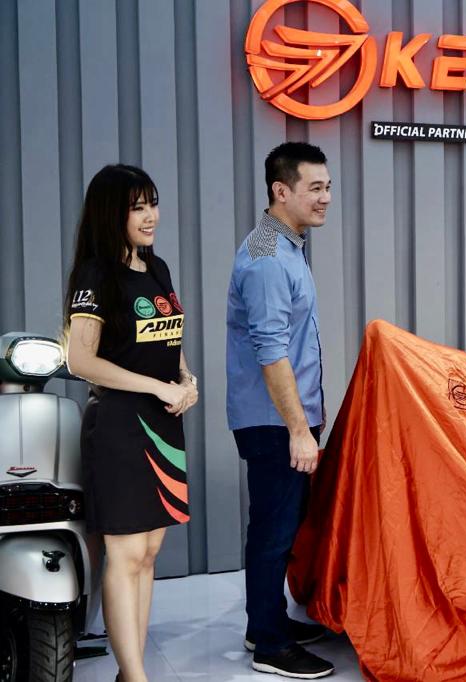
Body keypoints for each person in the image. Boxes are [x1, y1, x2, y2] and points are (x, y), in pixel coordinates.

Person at [65, 164, 198, 682]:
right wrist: (156, 388)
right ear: (110, 214)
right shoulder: (95, 274)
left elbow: (168, 336)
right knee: (124, 552)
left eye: (153, 204)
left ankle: (130, 672)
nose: (151, 216)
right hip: (119, 425)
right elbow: (81, 360)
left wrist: (185, 378)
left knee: (149, 551)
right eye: (137, 207)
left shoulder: (156, 267)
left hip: (163, 424)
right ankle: (136, 675)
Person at [226, 142, 334, 679]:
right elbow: (271, 351)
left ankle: (264, 623)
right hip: (274, 422)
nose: (326, 197)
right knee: (273, 528)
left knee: (281, 524)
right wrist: (298, 429)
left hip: (286, 418)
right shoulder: (268, 257)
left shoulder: (287, 244)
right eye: (315, 188)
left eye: (328, 187)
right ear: (281, 190)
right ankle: (269, 645)